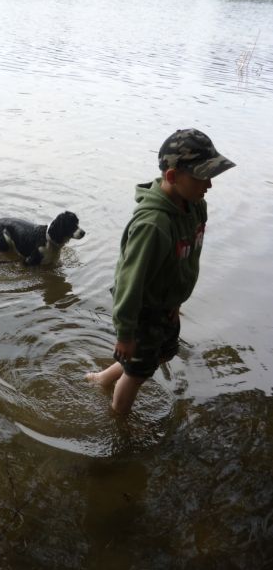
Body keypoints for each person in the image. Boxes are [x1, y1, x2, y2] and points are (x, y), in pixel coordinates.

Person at [87, 128, 236, 414]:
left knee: (158, 355)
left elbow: (185, 259)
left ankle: (102, 379)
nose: (209, 185)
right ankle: (119, 419)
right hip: (143, 310)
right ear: (172, 177)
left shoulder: (195, 206)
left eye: (211, 176)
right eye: (201, 177)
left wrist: (176, 301)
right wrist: (126, 334)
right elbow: (130, 283)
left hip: (166, 304)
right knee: (138, 373)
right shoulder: (153, 226)